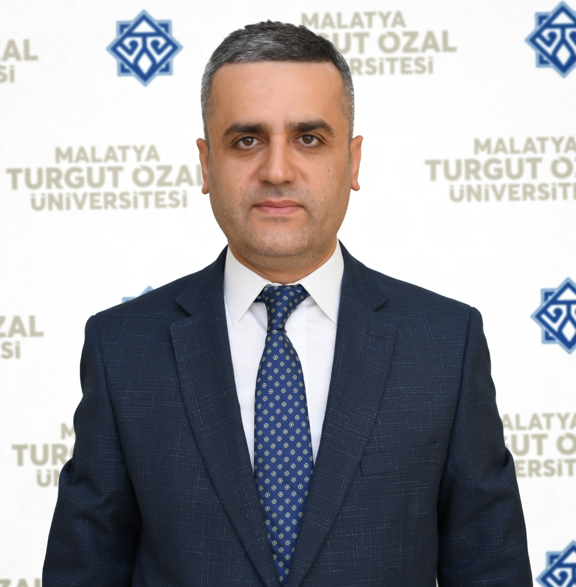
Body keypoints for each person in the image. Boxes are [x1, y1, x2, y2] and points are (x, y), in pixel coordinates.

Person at [43, 21, 532, 587]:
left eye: (309, 138)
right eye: (246, 140)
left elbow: (490, 571)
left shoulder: (446, 344)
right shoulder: (123, 349)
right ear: (206, 164)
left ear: (353, 161)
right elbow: (84, 572)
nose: (276, 171)